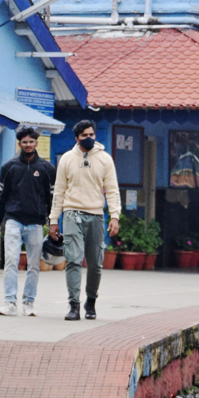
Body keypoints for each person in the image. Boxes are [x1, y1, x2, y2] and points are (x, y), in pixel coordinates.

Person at [48, 120, 121, 320]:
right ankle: (74, 305)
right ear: (76, 138)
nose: (88, 138)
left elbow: (112, 190)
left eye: (91, 134)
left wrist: (114, 216)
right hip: (72, 214)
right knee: (73, 260)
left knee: (96, 263)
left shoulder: (105, 159)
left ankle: (91, 302)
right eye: (84, 135)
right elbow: (59, 191)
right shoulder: (67, 159)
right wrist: (54, 220)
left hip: (96, 215)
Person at [0, 126, 55, 316]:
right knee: (11, 261)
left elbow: (52, 199)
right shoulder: (9, 168)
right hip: (13, 220)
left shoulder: (46, 168)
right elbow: (1, 197)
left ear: (36, 143)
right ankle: (9, 303)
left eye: (31, 142)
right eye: (24, 142)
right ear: (20, 144)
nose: (28, 145)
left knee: (34, 265)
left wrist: (53, 223)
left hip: (35, 222)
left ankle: (29, 303)